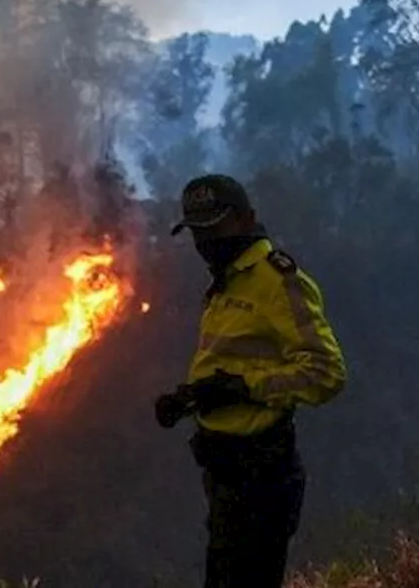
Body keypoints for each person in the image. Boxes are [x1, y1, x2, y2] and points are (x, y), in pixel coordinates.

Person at [154, 174, 347, 588]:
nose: (205, 241)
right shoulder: (226, 281)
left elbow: (326, 372)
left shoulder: (279, 282)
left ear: (246, 220)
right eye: (197, 232)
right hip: (224, 473)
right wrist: (190, 398)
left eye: (214, 228)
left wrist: (244, 388)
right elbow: (227, 361)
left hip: (262, 476)